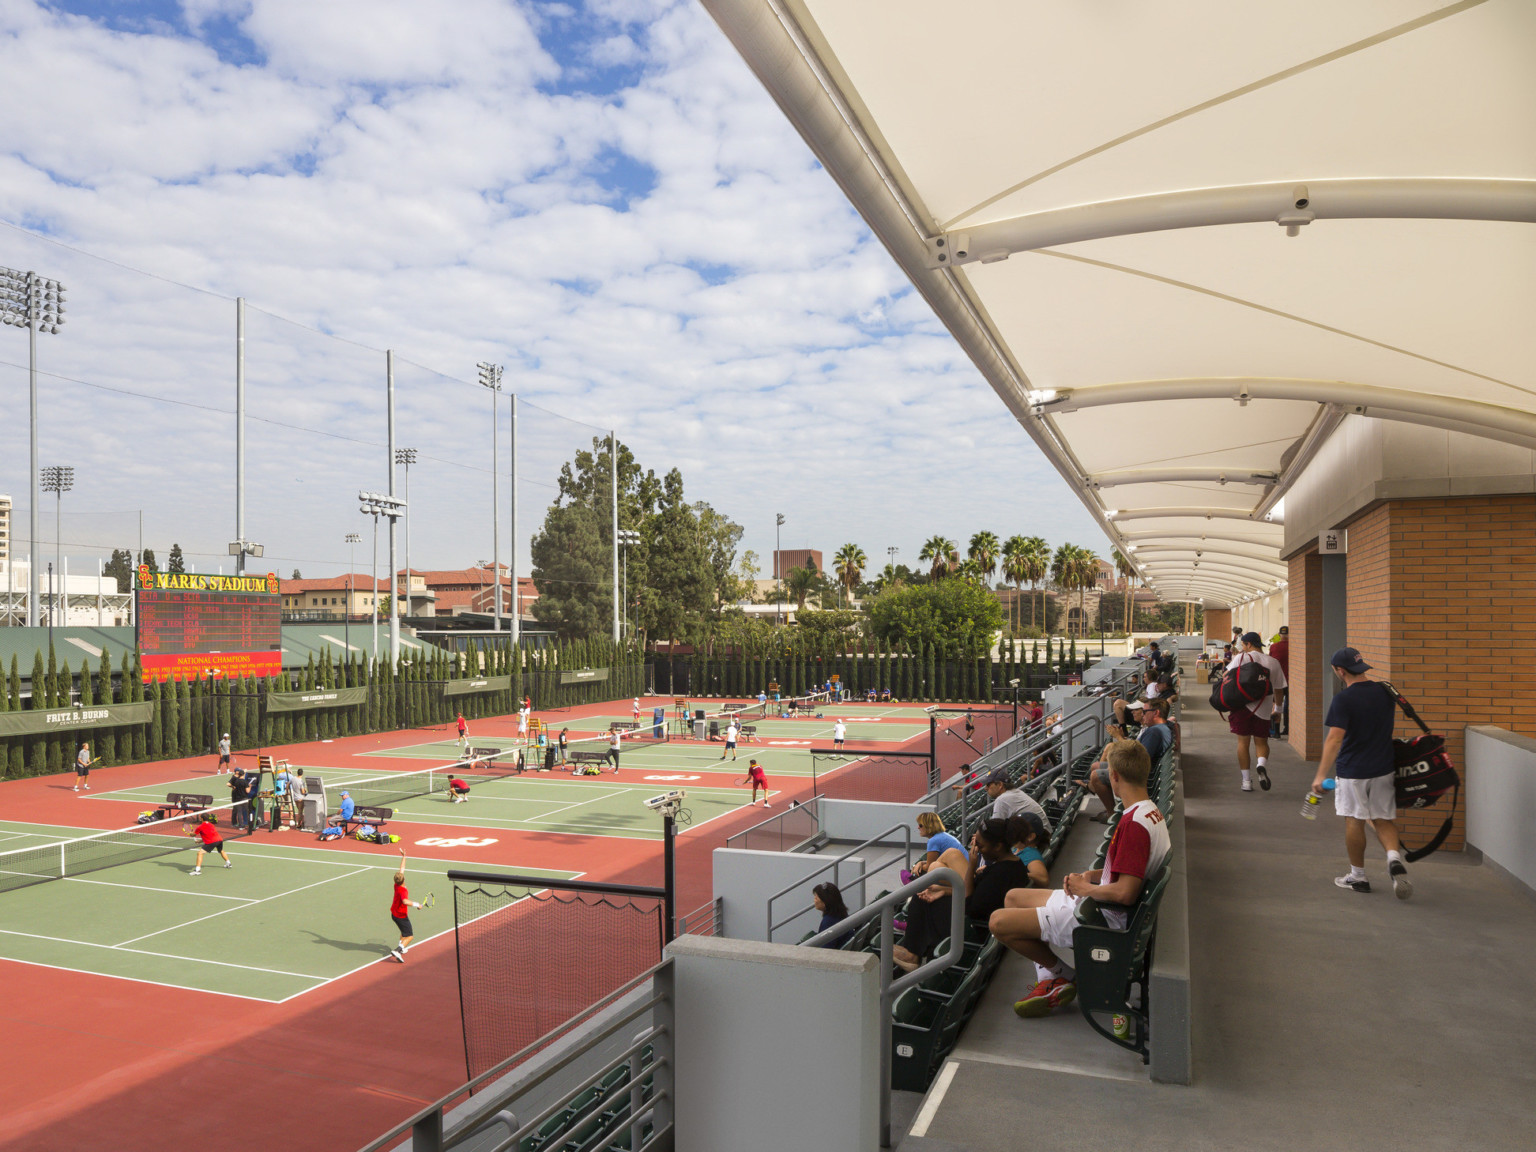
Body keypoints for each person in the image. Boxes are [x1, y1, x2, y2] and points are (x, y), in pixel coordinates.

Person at [990, 739, 1169, 1017]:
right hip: (1104, 905)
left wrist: (1085, 888)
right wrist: (1094, 875)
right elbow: (1130, 870)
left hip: (1100, 916)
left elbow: (1125, 893)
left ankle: (1068, 977)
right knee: (1013, 897)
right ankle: (1051, 980)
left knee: (998, 922)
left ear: (1114, 776)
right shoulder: (1150, 812)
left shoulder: (1133, 824)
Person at [1311, 648, 1412, 898]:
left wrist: (1320, 775)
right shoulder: (1385, 691)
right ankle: (1393, 859)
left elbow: (1334, 740)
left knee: (1354, 821)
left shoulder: (1344, 700)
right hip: (1383, 767)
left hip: (1353, 771)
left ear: (1340, 671)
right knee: (1382, 819)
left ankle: (1358, 876)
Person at [895, 819, 1029, 972]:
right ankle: (915, 950)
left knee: (922, 899)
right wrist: (943, 890)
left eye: (980, 845)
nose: (975, 848)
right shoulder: (1013, 865)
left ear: (998, 846)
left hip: (972, 928)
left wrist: (972, 865)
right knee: (932, 892)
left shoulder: (999, 874)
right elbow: (978, 894)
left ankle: (912, 955)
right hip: (977, 918)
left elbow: (970, 904)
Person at [1089, 698, 1172, 819]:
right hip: (1142, 769)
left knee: (1095, 776)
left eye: (1145, 712)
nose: (1143, 714)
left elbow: (1138, 758)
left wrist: (1118, 737)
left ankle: (1111, 814)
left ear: (1156, 713)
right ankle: (1107, 807)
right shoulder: (1162, 726)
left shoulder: (1154, 732)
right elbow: (1173, 723)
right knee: (1096, 766)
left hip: (1138, 775)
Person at [1226, 631, 1286, 792]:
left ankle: (1246, 781)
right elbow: (1279, 690)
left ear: (1248, 644)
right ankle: (1261, 765)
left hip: (1242, 706)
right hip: (1264, 708)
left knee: (1242, 743)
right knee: (1261, 742)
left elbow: (1226, 676)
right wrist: (1278, 709)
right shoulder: (1273, 662)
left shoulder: (1241, 658)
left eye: (1244, 645)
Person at [388, 850, 428, 963]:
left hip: (394, 914)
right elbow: (405, 901)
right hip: (401, 916)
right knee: (410, 936)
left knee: (403, 931)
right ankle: (398, 950)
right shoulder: (403, 890)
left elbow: (401, 869)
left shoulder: (396, 884)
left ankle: (401, 947)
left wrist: (404, 856)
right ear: (403, 879)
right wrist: (417, 905)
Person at [983, 768, 1050, 830]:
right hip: (1042, 836)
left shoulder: (1002, 799)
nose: (985, 788)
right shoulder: (1014, 792)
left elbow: (994, 830)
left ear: (1000, 785)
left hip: (1037, 838)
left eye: (988, 785)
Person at [1007, 812, 1051, 887]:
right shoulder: (1017, 848)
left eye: (1016, 832)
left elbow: (1044, 880)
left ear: (1030, 837)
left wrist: (1019, 873)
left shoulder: (1031, 855)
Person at [812, 882, 854, 948]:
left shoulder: (828, 922)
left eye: (816, 898)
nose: (814, 900)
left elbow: (825, 950)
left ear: (825, 901)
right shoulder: (841, 914)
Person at [1269, 626, 1291, 738]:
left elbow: (1270, 662)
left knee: (1277, 705)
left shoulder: (1274, 647)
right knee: (1288, 705)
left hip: (1278, 681)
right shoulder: (1293, 647)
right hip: (1291, 681)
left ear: (1279, 635)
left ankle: (1276, 731)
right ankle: (1287, 728)